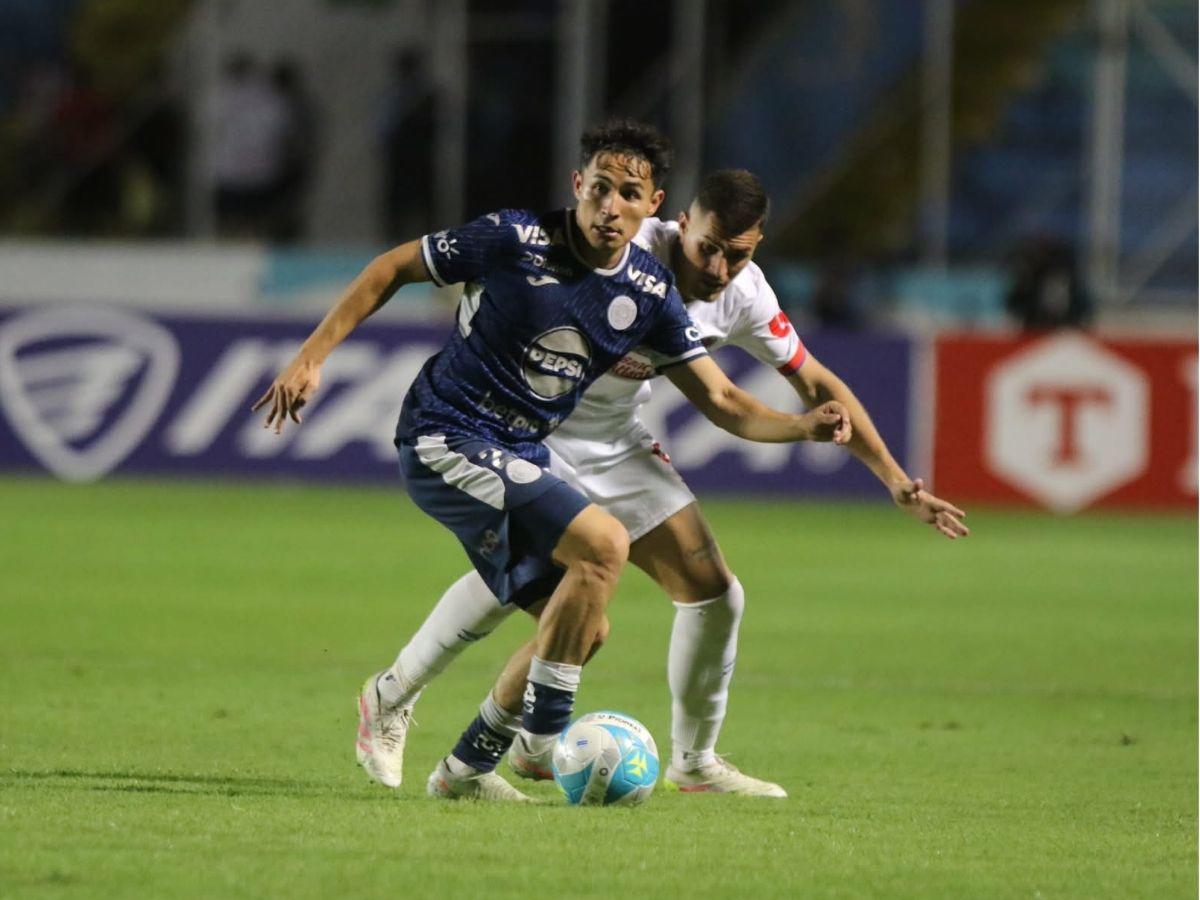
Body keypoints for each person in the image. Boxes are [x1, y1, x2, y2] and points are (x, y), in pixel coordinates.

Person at [254, 120, 854, 801]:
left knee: (583, 623)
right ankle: (541, 743)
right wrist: (310, 358)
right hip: (445, 433)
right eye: (599, 188)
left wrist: (803, 426)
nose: (610, 205)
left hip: (518, 450)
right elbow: (395, 266)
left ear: (652, 204)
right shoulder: (515, 238)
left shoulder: (649, 293)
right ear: (578, 186)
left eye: (629, 192)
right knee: (605, 544)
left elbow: (721, 400)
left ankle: (460, 769)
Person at [358, 169, 970, 801]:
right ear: (682, 222)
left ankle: (693, 761)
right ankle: (408, 699)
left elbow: (813, 383)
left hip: (617, 440)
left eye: (741, 253)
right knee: (534, 583)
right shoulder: (624, 242)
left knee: (713, 592)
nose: (721, 267)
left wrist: (896, 480)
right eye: (710, 246)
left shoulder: (746, 294)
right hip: (535, 431)